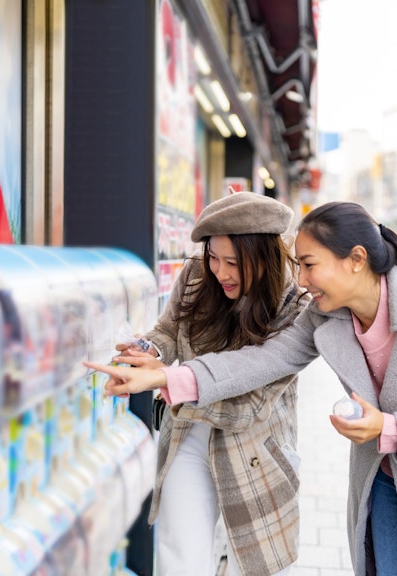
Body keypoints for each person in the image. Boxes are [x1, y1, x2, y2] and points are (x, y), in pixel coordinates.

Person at [86, 201, 397, 576]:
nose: (302, 280)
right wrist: (164, 374)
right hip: (382, 483)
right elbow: (263, 360)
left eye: (309, 265)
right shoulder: (326, 317)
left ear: (356, 260)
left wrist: (389, 427)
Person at [118, 191, 306, 576]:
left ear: (263, 256)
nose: (220, 272)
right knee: (179, 560)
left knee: (255, 567)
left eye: (233, 262)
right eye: (214, 258)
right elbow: (168, 330)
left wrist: (167, 381)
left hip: (257, 447)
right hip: (189, 435)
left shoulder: (294, 304)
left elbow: (250, 404)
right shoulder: (197, 275)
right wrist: (148, 349)